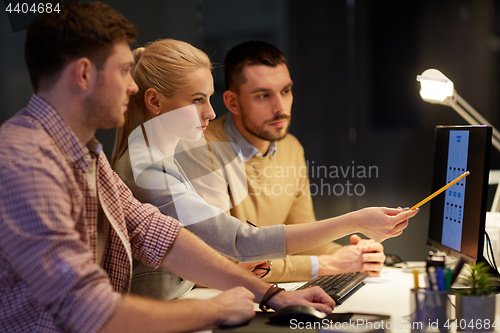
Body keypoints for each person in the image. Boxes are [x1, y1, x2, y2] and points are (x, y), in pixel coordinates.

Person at [0, 4, 341, 332]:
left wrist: (272, 295)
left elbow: (157, 234)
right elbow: (85, 307)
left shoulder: (89, 155)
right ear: (84, 74)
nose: (132, 86)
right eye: (122, 71)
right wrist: (216, 309)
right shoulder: (26, 163)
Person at [111, 38, 418, 300]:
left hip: (181, 302)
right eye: (197, 100)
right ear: (154, 101)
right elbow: (240, 243)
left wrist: (349, 255)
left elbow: (208, 253)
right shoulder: (164, 165)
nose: (209, 111)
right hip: (156, 315)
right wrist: (354, 224)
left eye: (285, 91)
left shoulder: (163, 157)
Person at [184, 40, 395, 282]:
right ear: (232, 102)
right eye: (264, 95)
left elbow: (306, 242)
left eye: (285, 91)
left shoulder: (290, 147)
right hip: (219, 298)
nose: (280, 107)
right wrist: (325, 265)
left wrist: (354, 256)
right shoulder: (201, 152)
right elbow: (222, 261)